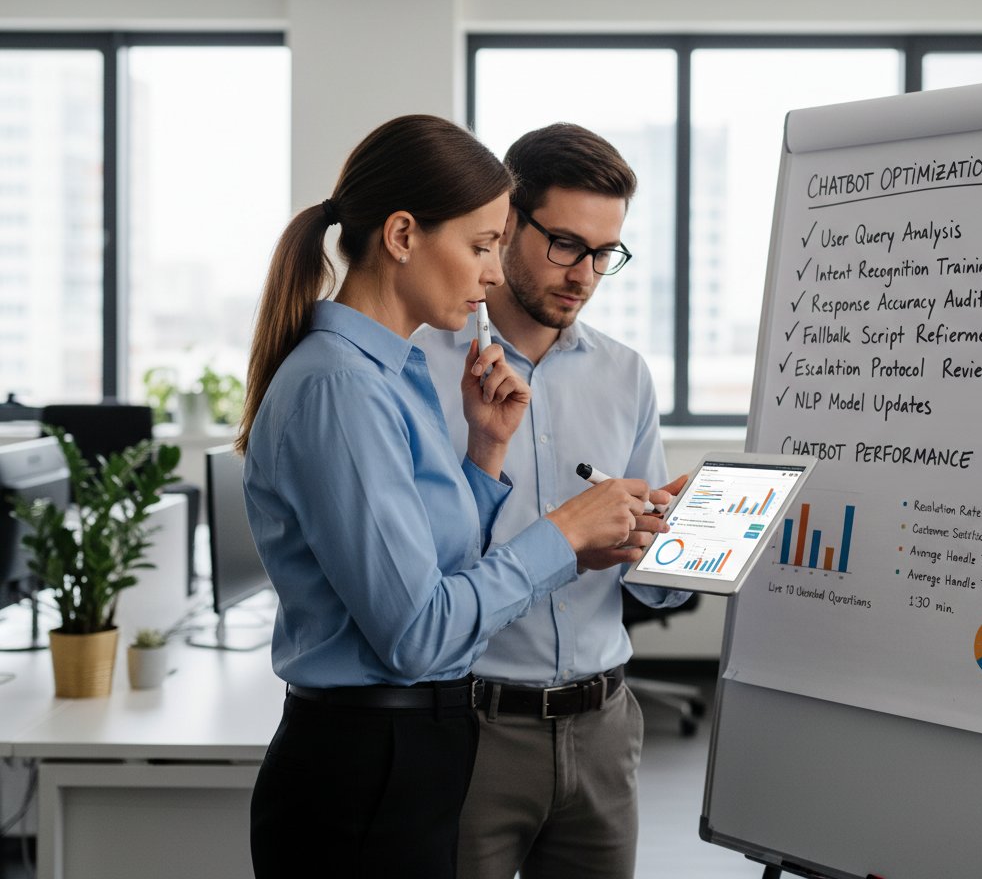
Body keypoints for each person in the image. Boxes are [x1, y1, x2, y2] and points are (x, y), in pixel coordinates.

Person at [235, 114, 670, 879]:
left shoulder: (391, 373)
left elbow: (435, 564)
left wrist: (485, 455)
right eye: (481, 245)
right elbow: (418, 633)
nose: (492, 273)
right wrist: (564, 535)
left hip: (415, 750)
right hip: (373, 760)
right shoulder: (342, 385)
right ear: (403, 236)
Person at [416, 122, 691, 879]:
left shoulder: (626, 374)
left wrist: (677, 540)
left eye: (605, 253)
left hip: (604, 728)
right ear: (506, 224)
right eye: (566, 245)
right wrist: (563, 540)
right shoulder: (419, 368)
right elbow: (417, 579)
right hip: (470, 725)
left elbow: (653, 582)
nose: (585, 275)